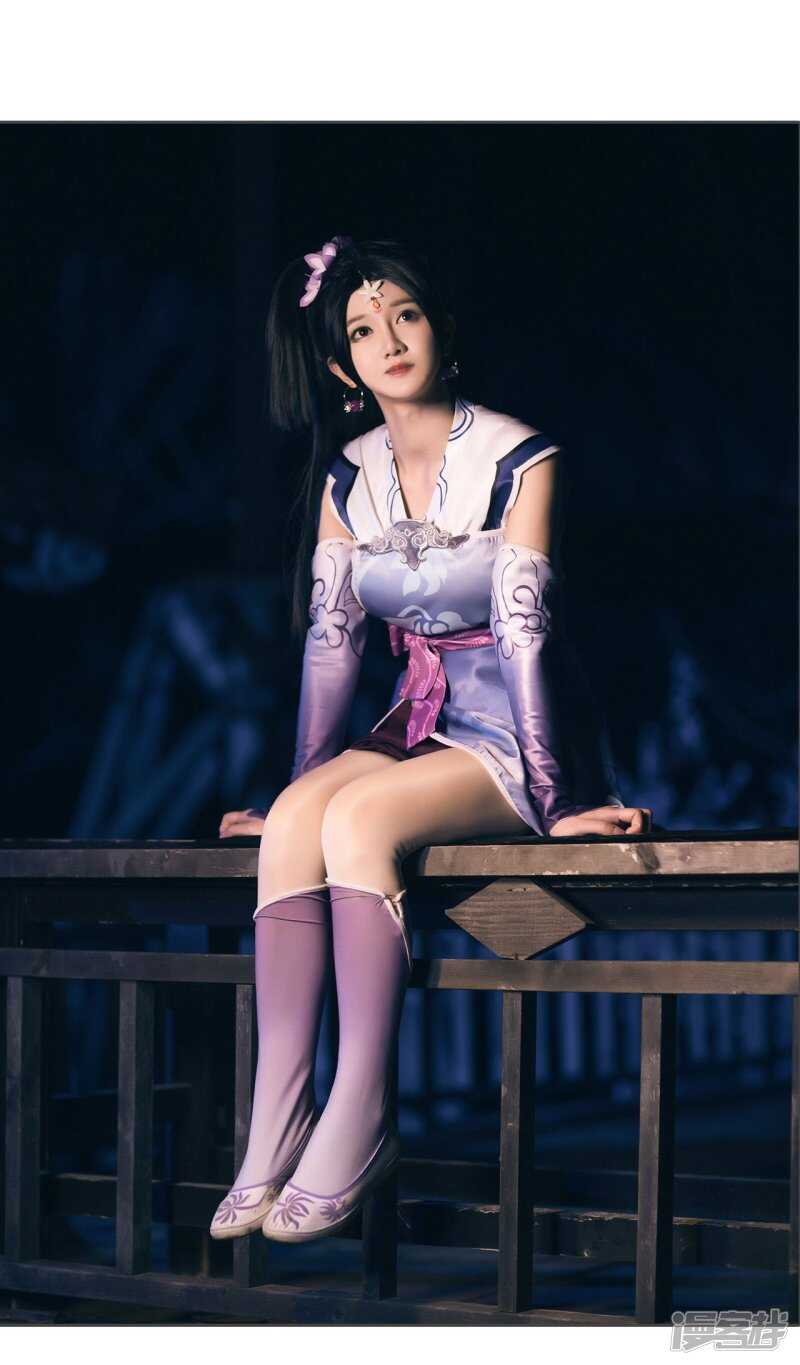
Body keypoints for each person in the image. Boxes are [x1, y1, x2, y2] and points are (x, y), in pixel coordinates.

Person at [210, 235, 651, 1245]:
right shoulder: (348, 476)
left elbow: (525, 631)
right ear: (341, 367)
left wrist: (557, 801)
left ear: (441, 329)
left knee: (359, 821)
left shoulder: (520, 456)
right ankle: (276, 1118)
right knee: (299, 827)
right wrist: (297, 787)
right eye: (363, 329)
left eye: (404, 315)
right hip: (414, 720)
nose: (390, 340)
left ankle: (361, 1109)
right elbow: (331, 646)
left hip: (518, 730)